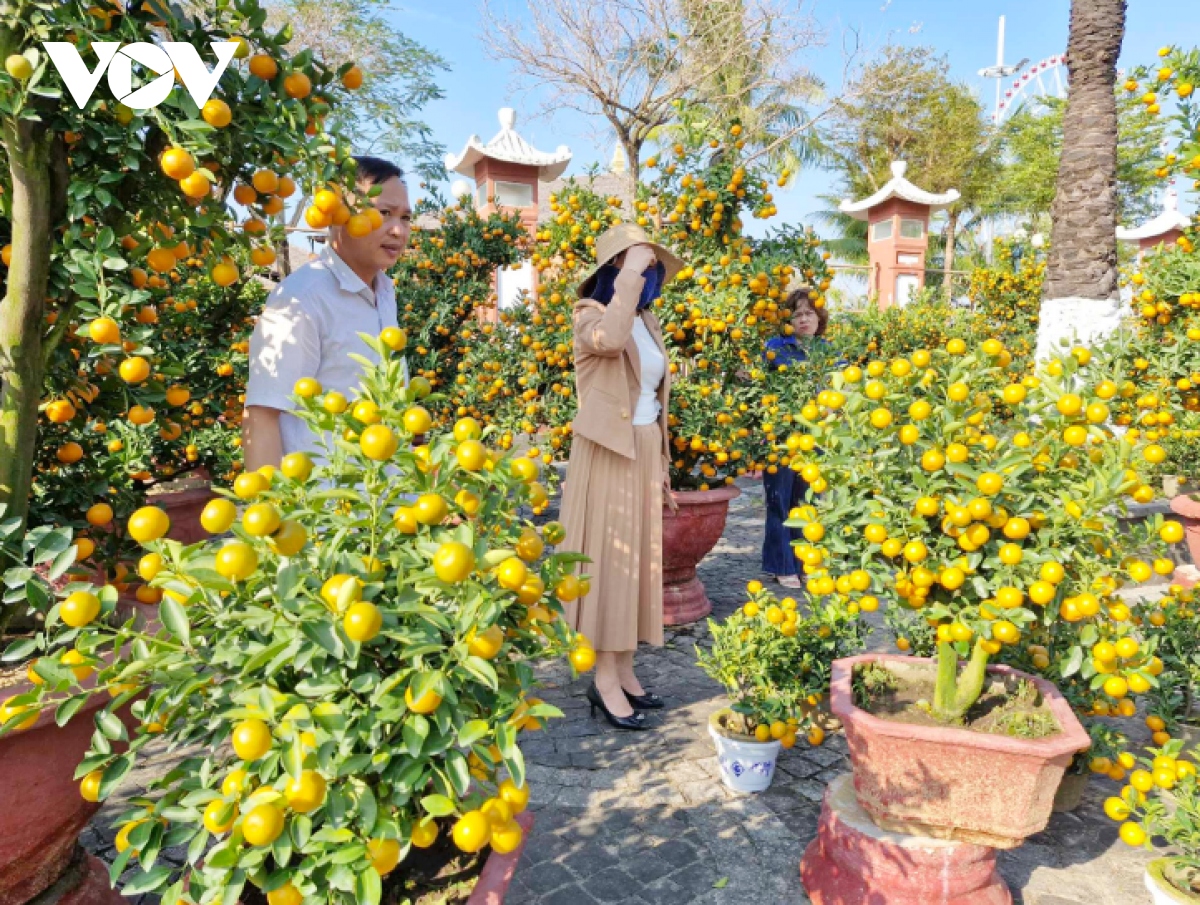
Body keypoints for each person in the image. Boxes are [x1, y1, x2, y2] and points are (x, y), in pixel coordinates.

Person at [560, 223, 683, 731]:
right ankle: (603, 680)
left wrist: (660, 465)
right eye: (642, 265)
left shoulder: (646, 319)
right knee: (611, 565)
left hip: (643, 446)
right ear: (616, 268)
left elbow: (652, 395)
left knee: (637, 565)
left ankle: (625, 671)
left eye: (652, 267)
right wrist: (631, 268)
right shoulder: (591, 317)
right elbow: (609, 342)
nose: (651, 274)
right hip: (608, 450)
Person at [243, 157, 412, 470]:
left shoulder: (385, 294)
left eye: (406, 217)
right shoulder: (301, 299)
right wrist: (270, 512)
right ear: (338, 214)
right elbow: (262, 415)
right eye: (384, 213)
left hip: (383, 507)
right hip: (326, 511)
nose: (398, 230)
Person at [762, 284, 829, 589]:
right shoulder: (775, 347)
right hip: (781, 435)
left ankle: (804, 561)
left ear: (819, 318)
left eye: (809, 313)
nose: (803, 319)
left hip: (814, 437)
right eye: (797, 314)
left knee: (806, 501)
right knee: (779, 501)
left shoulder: (829, 352)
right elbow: (757, 384)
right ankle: (781, 564)